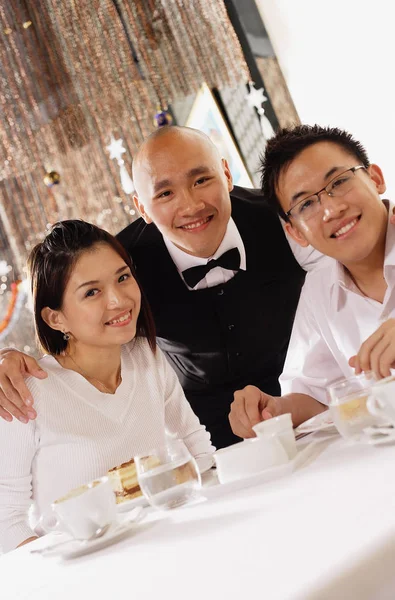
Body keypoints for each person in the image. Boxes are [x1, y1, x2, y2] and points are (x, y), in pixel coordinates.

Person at [0, 126, 320, 449]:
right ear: (142, 209)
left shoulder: (284, 217)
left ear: (226, 174)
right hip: (204, 437)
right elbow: (81, 335)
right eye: (165, 193)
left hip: (304, 406)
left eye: (201, 180)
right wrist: (11, 362)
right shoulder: (122, 265)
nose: (191, 205)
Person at [0, 220, 214, 553]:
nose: (118, 300)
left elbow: (196, 448)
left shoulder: (146, 356)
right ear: (56, 318)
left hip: (175, 547)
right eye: (91, 292)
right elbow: (6, 520)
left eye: (123, 277)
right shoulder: (23, 392)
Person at [229, 124, 395, 438]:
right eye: (306, 204)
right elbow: (317, 394)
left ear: (375, 178)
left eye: (340, 181)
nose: (332, 209)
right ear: (295, 232)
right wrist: (272, 411)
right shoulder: (319, 290)